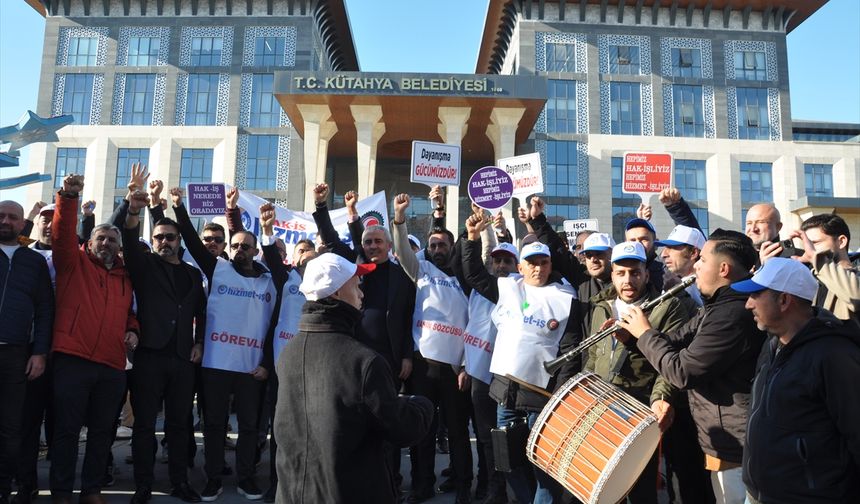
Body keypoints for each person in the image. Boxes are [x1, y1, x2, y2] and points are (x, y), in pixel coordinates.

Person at [618, 229, 766, 504]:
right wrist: (632, 338)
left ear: (723, 268)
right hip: (723, 441)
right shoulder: (717, 306)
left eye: (703, 260)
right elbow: (673, 342)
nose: (696, 265)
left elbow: (682, 371)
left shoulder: (731, 314)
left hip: (737, 445)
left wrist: (646, 333)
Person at [274, 252, 433, 503]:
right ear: (336, 293)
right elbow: (401, 429)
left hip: (294, 494)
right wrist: (421, 406)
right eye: (356, 286)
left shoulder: (288, 352)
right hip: (348, 492)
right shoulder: (363, 361)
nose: (361, 293)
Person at [462, 208, 583, 504]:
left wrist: (559, 395)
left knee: (543, 466)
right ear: (521, 265)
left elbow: (569, 352)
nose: (538, 268)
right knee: (508, 462)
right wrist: (472, 238)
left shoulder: (566, 299)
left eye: (543, 262)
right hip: (506, 395)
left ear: (550, 263)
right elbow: (475, 274)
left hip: (541, 397)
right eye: (531, 263)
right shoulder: (507, 287)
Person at [171, 188, 276, 502]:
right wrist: (179, 208)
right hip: (216, 363)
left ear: (256, 250)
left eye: (246, 246)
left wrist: (267, 365)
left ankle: (246, 477)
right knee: (214, 424)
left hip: (250, 367)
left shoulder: (269, 278)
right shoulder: (218, 269)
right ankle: (213, 478)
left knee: (248, 426)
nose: (239, 249)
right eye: (235, 245)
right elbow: (191, 240)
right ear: (227, 250)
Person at [731, 258, 860, 503]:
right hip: (761, 494)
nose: (747, 304)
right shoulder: (771, 345)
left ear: (783, 300)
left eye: (756, 294)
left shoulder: (834, 355)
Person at [49, 174, 139, 504]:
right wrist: (69, 197)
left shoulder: (125, 276)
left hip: (111, 365)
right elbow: (60, 237)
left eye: (112, 240)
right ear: (89, 242)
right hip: (73, 359)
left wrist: (133, 329)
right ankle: (60, 492)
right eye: (100, 238)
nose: (106, 244)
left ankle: (91, 491)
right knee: (67, 432)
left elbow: (129, 313)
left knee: (103, 434)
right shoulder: (73, 263)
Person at [122, 187, 207, 504]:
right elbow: (129, 240)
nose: (165, 242)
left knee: (178, 426)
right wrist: (135, 208)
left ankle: (179, 482)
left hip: (183, 359)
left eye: (171, 237)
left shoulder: (192, 275)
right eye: (159, 237)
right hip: (149, 357)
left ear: (179, 241)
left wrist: (199, 342)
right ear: (153, 240)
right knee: (144, 426)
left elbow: (201, 311)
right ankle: (143, 485)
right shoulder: (143, 265)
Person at [586, 241, 689, 504]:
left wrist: (660, 399)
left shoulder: (668, 307)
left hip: (641, 412)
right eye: (621, 273)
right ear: (612, 275)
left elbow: (669, 363)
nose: (628, 279)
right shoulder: (600, 306)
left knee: (642, 491)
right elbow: (593, 357)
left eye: (635, 272)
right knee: (604, 491)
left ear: (645, 272)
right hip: (603, 412)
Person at [391, 192, 473, 504]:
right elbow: (401, 250)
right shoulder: (420, 271)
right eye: (433, 245)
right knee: (421, 431)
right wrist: (399, 219)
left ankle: (464, 485)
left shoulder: (464, 278)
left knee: (457, 431)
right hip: (423, 366)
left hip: (455, 370)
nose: (438, 249)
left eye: (443, 245)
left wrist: (466, 365)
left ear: (452, 248)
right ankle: (421, 485)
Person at [459, 214, 517, 504]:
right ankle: (495, 492)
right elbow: (470, 325)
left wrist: (496, 231)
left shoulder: (521, 291)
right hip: (480, 373)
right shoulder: (484, 289)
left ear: (517, 266)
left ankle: (518, 490)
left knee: (509, 437)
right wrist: (464, 365)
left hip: (511, 376)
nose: (502, 266)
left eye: (508, 261)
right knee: (484, 436)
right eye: (498, 261)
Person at [0, 200, 54, 504]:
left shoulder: (34, 262)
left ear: (23, 225)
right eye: (1, 216)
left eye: (13, 217)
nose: (6, 221)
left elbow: (46, 309)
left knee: (11, 428)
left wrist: (40, 352)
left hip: (17, 355)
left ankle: (4, 488)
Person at [763, 213, 859, 324]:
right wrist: (768, 269)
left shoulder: (855, 276)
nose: (809, 250)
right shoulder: (809, 278)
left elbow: (855, 296)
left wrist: (816, 258)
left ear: (841, 241)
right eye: (807, 245)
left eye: (814, 243)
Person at [657, 224, 707, 309]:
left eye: (672, 248)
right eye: (665, 248)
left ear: (693, 253)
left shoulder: (708, 289)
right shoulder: (672, 283)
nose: (663, 254)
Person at [625, 218, 664, 292]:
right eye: (632, 240)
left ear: (656, 243)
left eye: (644, 239)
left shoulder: (666, 271)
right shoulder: (618, 269)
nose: (638, 244)